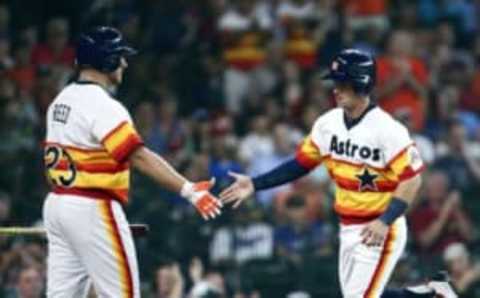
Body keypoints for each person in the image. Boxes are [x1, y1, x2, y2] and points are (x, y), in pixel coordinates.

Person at [220, 49, 456, 298]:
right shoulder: (328, 123)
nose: (335, 89)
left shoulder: (388, 129)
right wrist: (255, 184)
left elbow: (412, 180)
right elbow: (300, 163)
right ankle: (431, 294)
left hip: (381, 225)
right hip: (349, 226)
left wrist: (384, 221)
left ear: (360, 83)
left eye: (342, 83)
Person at [42, 26, 222, 298]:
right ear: (107, 60)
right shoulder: (103, 105)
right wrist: (188, 189)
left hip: (57, 204)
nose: (124, 63)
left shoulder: (61, 100)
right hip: (93, 206)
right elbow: (137, 155)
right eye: (119, 56)